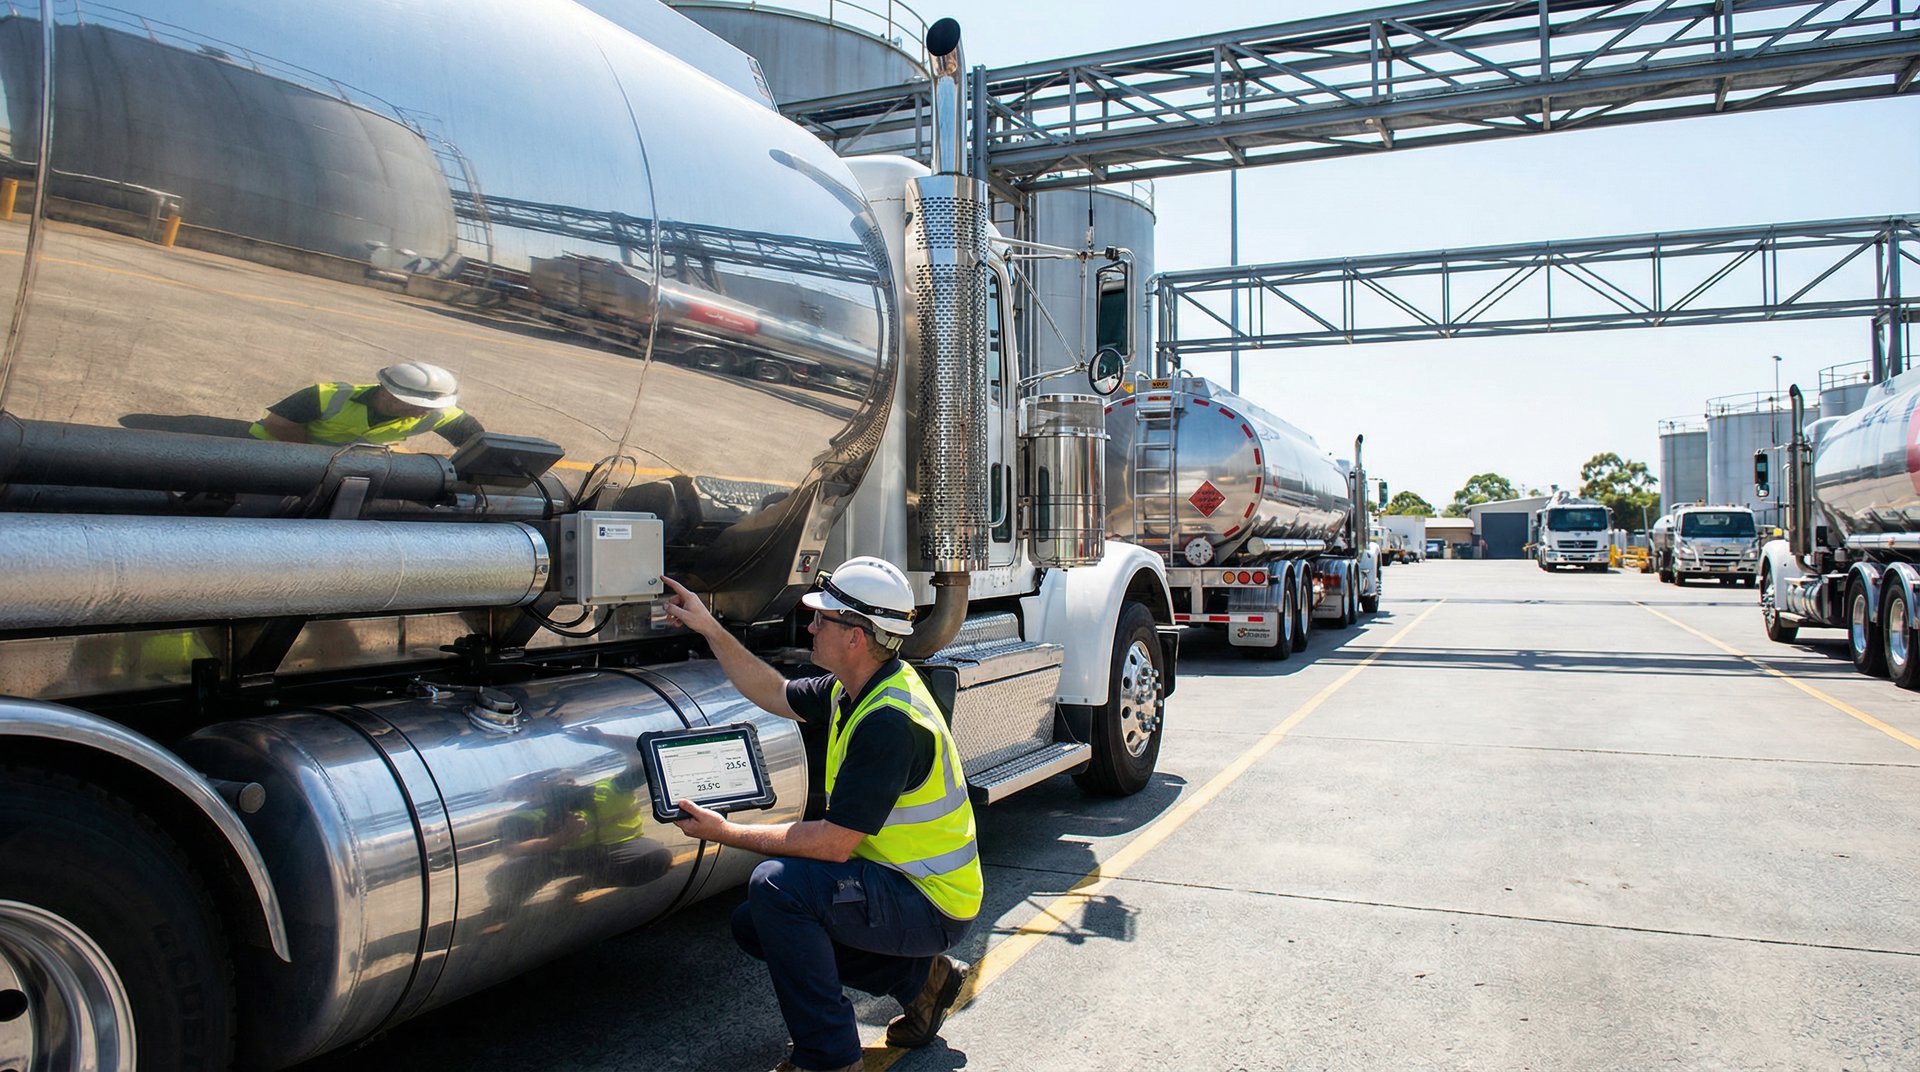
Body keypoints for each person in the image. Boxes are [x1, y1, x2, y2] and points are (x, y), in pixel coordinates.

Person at [661, 558, 979, 1072]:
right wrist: (707, 624)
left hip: (929, 901)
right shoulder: (853, 688)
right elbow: (771, 691)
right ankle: (921, 983)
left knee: (777, 889)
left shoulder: (888, 722)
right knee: (754, 924)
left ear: (855, 636)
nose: (809, 626)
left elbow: (832, 846)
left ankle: (829, 1056)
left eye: (822, 619)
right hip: (898, 881)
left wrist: (724, 833)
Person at [249, 361, 482, 446]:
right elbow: (277, 424)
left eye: (429, 407)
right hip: (274, 447)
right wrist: (315, 456)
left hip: (340, 462)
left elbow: (479, 444)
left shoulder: (437, 412)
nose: (421, 412)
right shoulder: (329, 396)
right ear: (386, 391)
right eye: (413, 404)